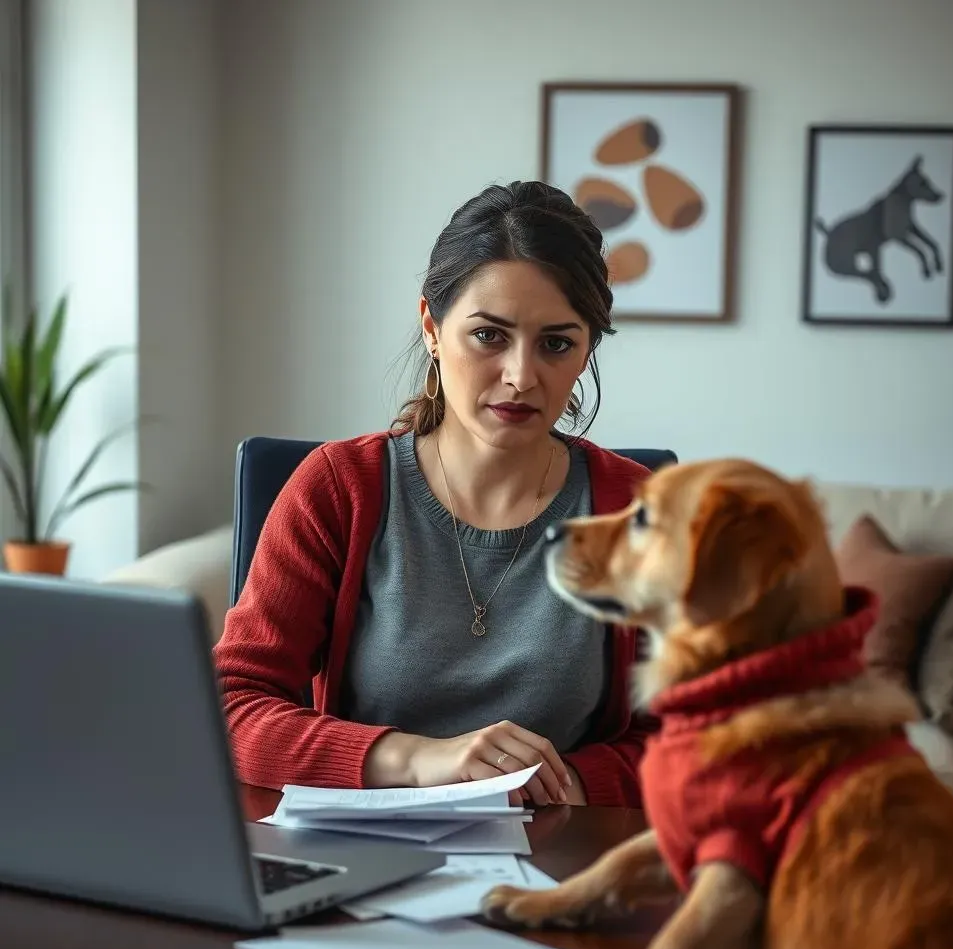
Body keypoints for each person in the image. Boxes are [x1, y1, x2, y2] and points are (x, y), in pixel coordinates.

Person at [214, 180, 655, 809]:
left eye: (556, 344)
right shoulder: (339, 488)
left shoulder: (641, 509)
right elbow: (232, 709)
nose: (521, 376)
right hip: (365, 857)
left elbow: (699, 737)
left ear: (585, 352)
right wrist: (420, 760)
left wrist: (573, 785)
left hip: (562, 862)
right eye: (488, 336)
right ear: (431, 326)